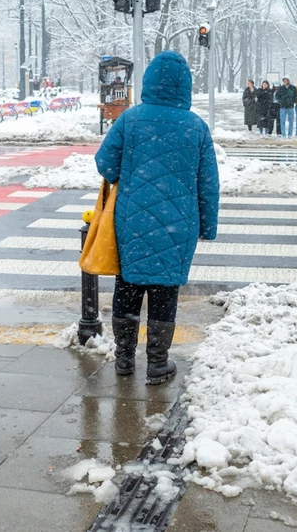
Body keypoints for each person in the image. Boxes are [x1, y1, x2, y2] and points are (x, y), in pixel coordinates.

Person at [95, 51, 220, 385]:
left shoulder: (131, 119)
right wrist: (208, 227)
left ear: (149, 81)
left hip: (132, 219)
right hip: (178, 223)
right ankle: (157, 365)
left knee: (128, 285)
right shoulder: (196, 127)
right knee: (165, 291)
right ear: (185, 87)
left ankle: (123, 359)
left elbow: (105, 164)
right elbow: (208, 184)